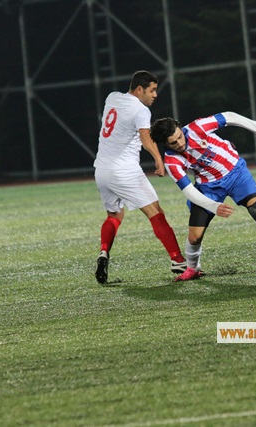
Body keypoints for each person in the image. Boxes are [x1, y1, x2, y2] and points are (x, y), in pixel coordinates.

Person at [149, 112, 256, 281]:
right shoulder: (172, 161)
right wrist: (214, 206)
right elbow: (188, 191)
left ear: (180, 129)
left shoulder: (198, 128)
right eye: (174, 143)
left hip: (236, 172)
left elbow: (229, 117)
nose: (180, 143)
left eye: (180, 137)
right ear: (165, 144)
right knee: (195, 237)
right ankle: (193, 269)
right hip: (208, 187)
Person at [93, 70, 186, 284]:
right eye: (152, 90)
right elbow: (145, 136)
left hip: (101, 170)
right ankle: (178, 260)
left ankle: (104, 252)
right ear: (139, 90)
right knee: (156, 213)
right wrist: (158, 159)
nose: (155, 95)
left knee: (114, 215)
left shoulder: (112, 97)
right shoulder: (141, 110)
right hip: (124, 171)